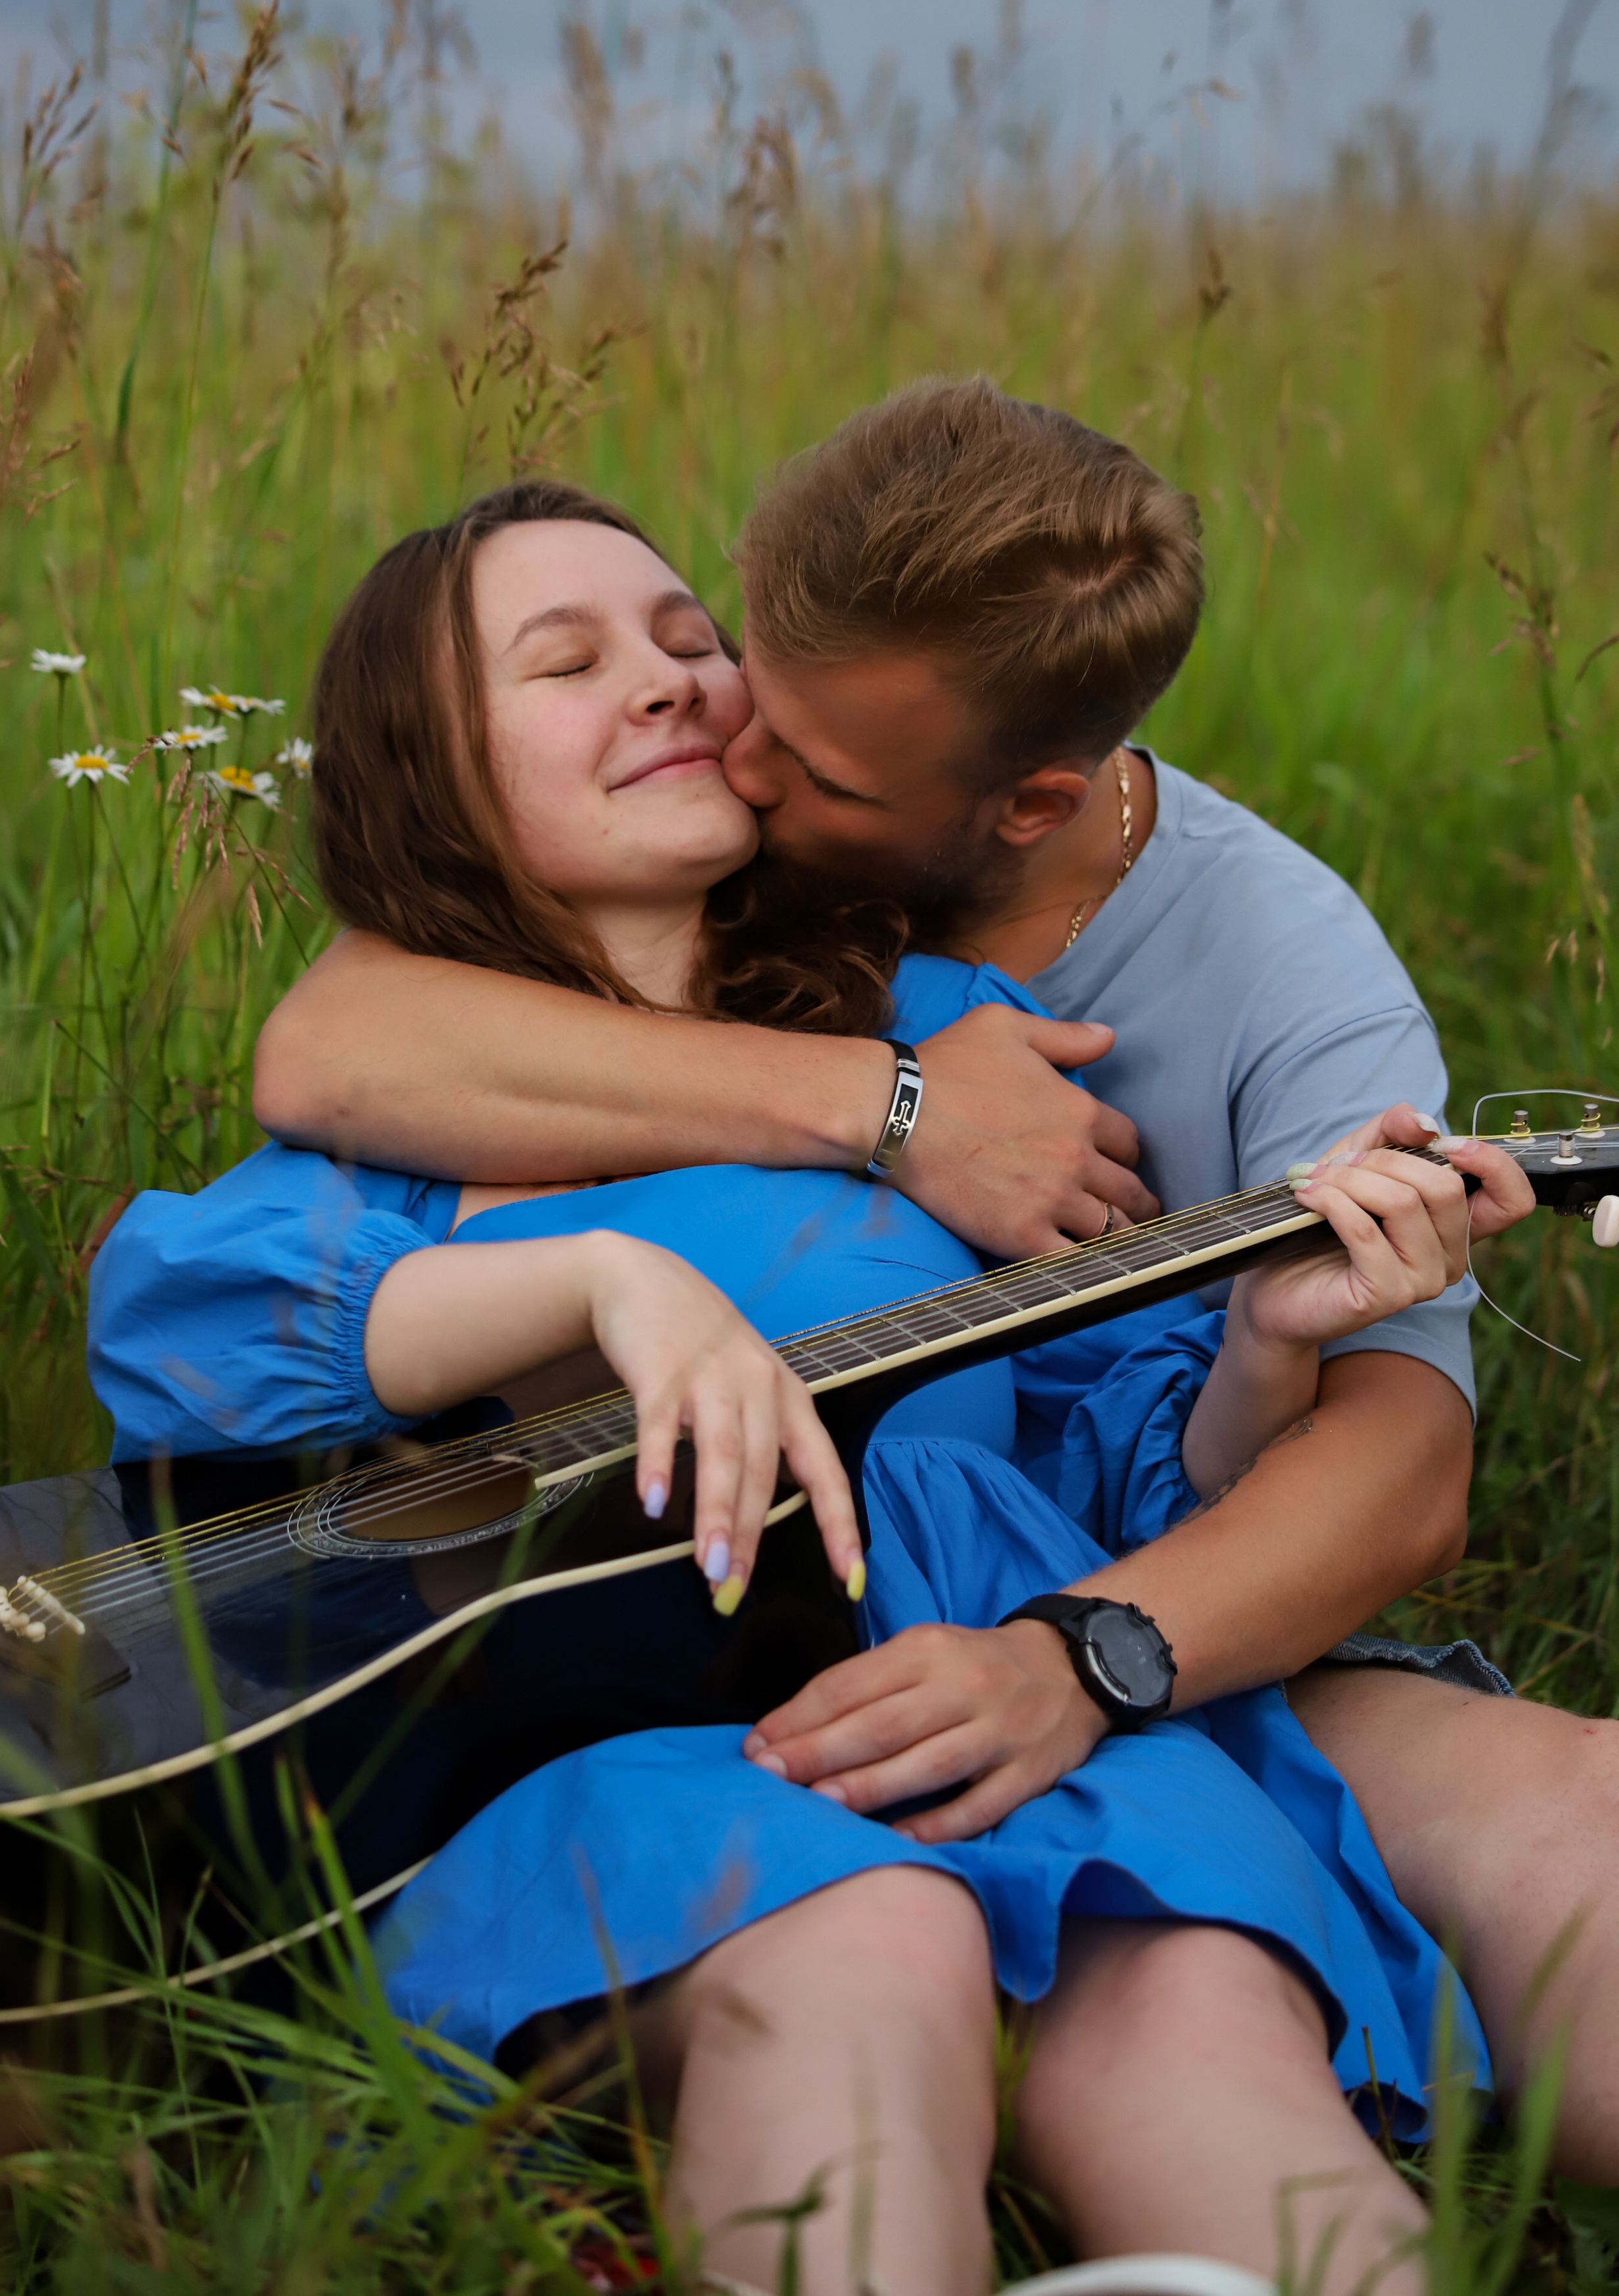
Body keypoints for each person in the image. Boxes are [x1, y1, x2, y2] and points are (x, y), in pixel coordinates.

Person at [89, 484, 1532, 2293]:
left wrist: (1267, 1336)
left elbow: (1111, 1481)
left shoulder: (952, 1049)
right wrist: (604, 1280)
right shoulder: (415, 1109)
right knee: (868, 1939)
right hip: (646, 1752)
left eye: (690, 639)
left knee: (1194, 1977)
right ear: (428, 774)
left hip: (1001, 1713)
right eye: (566, 662)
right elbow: (189, 1332)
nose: (664, 679)